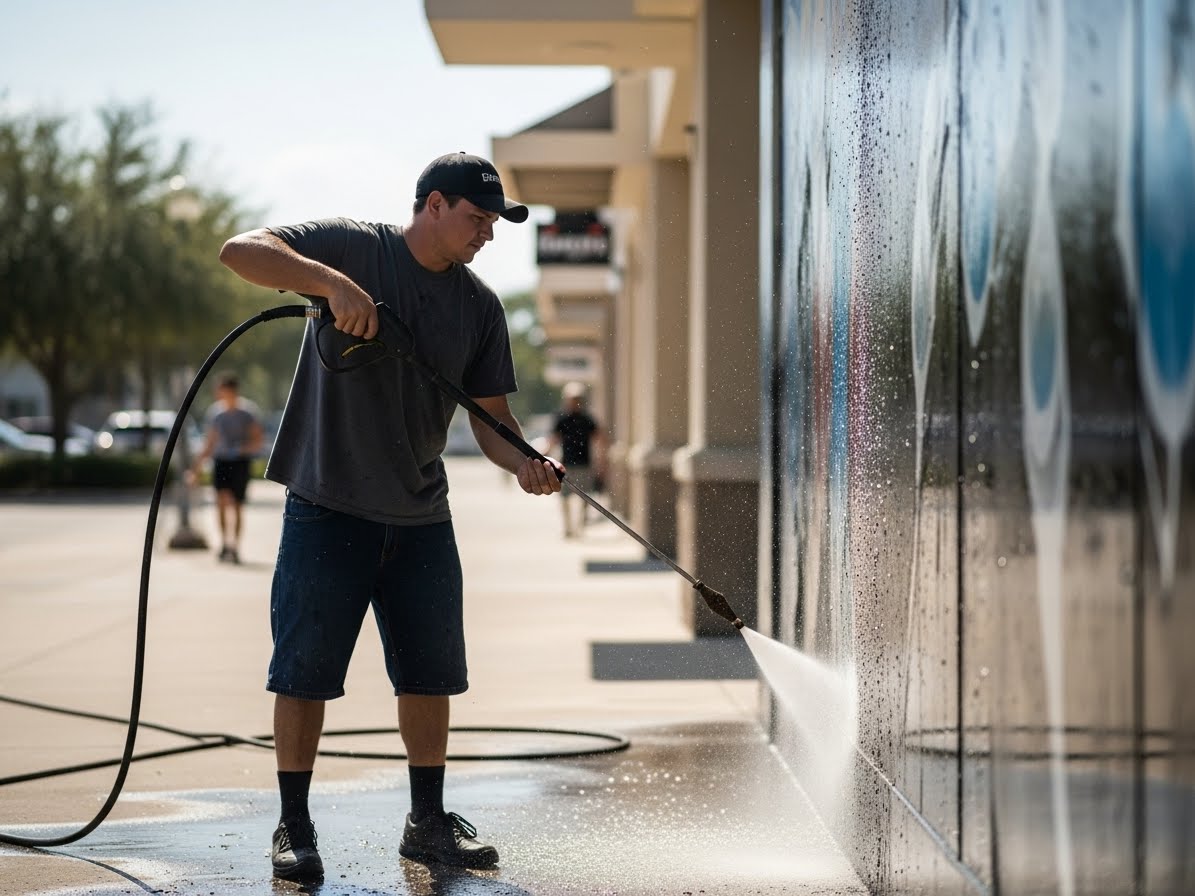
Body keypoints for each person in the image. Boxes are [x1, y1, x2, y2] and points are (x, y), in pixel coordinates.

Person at [217, 151, 564, 883]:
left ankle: (427, 824)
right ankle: (295, 826)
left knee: (429, 676)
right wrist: (330, 283)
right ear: (432, 205)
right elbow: (240, 251)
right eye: (477, 219)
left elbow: (490, 420)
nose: (487, 235)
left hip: (419, 517)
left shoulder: (479, 307)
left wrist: (526, 463)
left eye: (495, 224)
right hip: (325, 507)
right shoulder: (352, 246)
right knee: (303, 675)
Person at [190, 372, 264, 563]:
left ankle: (235, 546)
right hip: (221, 461)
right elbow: (210, 442)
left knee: (237, 505)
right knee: (221, 502)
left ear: (233, 391)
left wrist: (242, 449)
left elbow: (258, 440)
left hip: (240, 462)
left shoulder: (247, 412)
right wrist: (196, 468)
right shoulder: (216, 413)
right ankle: (224, 544)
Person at [546, 382, 607, 537]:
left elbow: (599, 439)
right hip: (566, 464)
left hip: (584, 464)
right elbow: (553, 439)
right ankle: (568, 527)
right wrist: (544, 457)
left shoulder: (587, 419)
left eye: (578, 399)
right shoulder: (562, 419)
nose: (575, 402)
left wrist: (601, 463)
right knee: (564, 497)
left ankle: (580, 525)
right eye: (572, 399)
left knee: (584, 497)